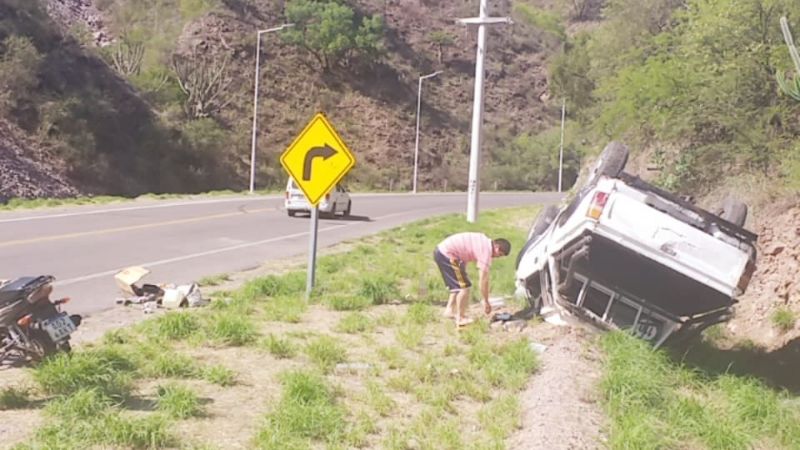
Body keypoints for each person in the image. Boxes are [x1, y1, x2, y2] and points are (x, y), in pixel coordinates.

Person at [433, 232, 511, 326]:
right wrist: (486, 301)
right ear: (497, 247)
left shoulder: (483, 241)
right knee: (464, 287)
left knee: (458, 285)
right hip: (447, 254)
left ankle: (449, 310)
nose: (497, 257)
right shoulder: (486, 250)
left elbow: (464, 252)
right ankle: (461, 318)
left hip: (442, 251)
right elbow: (483, 279)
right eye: (499, 254)